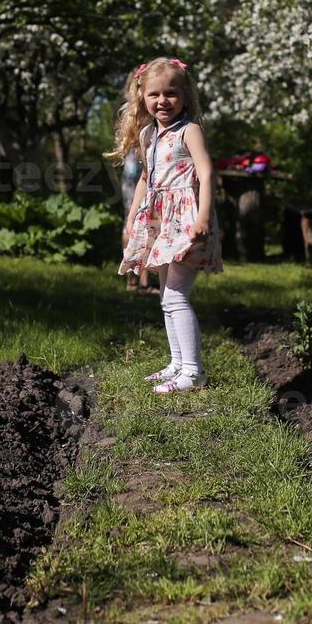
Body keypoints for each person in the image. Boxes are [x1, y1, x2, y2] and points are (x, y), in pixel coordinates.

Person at [109, 56, 223, 394]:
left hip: (186, 221)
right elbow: (146, 176)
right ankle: (177, 363)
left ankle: (194, 371)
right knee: (165, 296)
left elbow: (206, 172)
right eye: (154, 95)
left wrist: (203, 216)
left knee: (176, 295)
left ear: (185, 95)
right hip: (161, 222)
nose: (162, 101)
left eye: (171, 94)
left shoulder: (190, 131)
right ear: (142, 96)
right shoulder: (147, 134)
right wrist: (132, 218)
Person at [119, 147, 157, 295]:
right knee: (146, 223)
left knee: (130, 222)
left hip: (131, 165)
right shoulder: (151, 125)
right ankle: (143, 281)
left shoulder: (130, 125)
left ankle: (131, 279)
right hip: (143, 165)